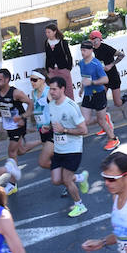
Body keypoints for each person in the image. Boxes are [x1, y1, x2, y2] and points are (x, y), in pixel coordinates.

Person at [44, 76, 90, 218]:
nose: (51, 92)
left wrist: (64, 130)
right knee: (57, 180)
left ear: (62, 89)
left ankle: (80, 205)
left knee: (67, 179)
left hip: (73, 150)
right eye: (50, 89)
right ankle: (81, 178)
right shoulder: (51, 105)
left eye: (54, 89)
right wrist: (48, 128)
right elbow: (56, 126)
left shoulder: (71, 107)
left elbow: (84, 130)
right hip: (59, 149)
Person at [77, 42, 119, 151]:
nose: (82, 52)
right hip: (87, 95)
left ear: (91, 51)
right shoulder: (81, 63)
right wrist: (82, 89)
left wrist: (92, 83)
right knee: (84, 121)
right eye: (81, 50)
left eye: (85, 50)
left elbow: (105, 80)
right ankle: (105, 117)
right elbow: (85, 78)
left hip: (99, 94)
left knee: (101, 121)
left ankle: (113, 139)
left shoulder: (96, 64)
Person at [43, 23, 74, 97]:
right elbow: (47, 56)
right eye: (46, 32)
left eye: (49, 32)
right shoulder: (46, 42)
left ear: (54, 32)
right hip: (52, 70)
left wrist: (68, 69)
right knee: (54, 91)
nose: (47, 34)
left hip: (63, 69)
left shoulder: (63, 42)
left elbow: (69, 56)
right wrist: (47, 69)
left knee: (68, 90)